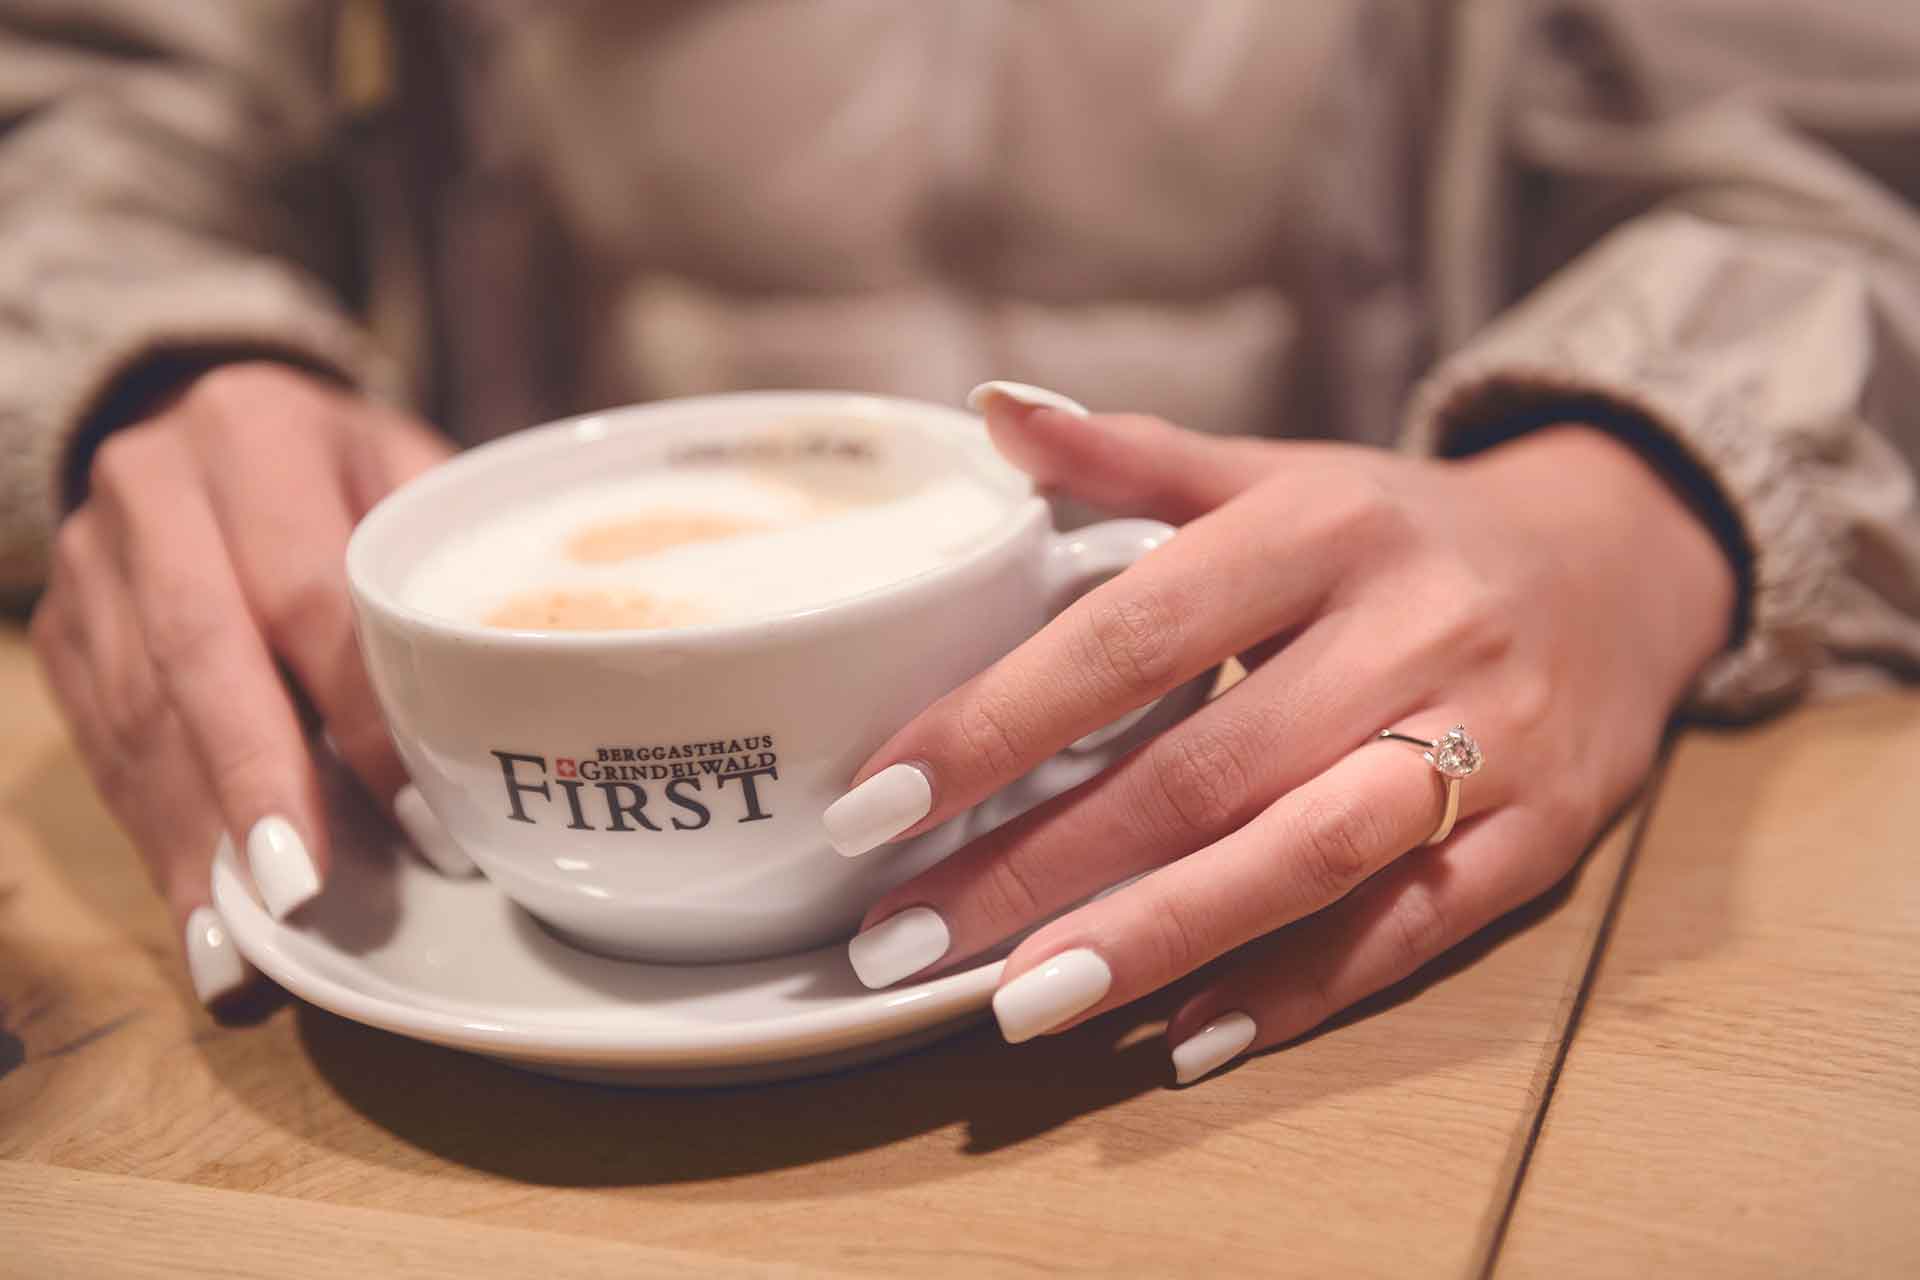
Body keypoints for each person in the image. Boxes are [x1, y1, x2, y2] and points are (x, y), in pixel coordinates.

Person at [8, 1, 1917, 1086]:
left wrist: (1623, 509)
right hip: (478, 921)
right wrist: (140, 374)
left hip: (1359, 891)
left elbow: (1851, 171)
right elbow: (85, 104)